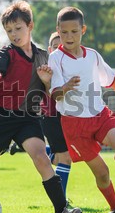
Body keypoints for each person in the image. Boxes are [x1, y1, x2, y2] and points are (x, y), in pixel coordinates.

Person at [0, 0, 83, 213]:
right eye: (9, 31)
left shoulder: (44, 57)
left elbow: (51, 92)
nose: (14, 34)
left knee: (41, 157)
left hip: (27, 118)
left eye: (18, 29)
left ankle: (62, 211)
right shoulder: (7, 53)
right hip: (0, 118)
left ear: (30, 26)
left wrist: (46, 81)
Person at [48, 6, 115, 213]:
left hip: (100, 115)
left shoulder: (92, 55)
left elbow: (111, 77)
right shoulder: (56, 58)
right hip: (74, 126)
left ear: (83, 30)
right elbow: (54, 94)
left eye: (74, 31)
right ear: (58, 30)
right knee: (102, 173)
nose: (69, 36)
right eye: (64, 32)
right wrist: (65, 87)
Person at [10, 32, 72, 200]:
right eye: (57, 47)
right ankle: (62, 201)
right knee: (65, 158)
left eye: (65, 46)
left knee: (67, 155)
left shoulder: (72, 64)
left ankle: (23, 146)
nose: (62, 49)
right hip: (50, 115)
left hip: (67, 116)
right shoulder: (45, 67)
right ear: (50, 49)